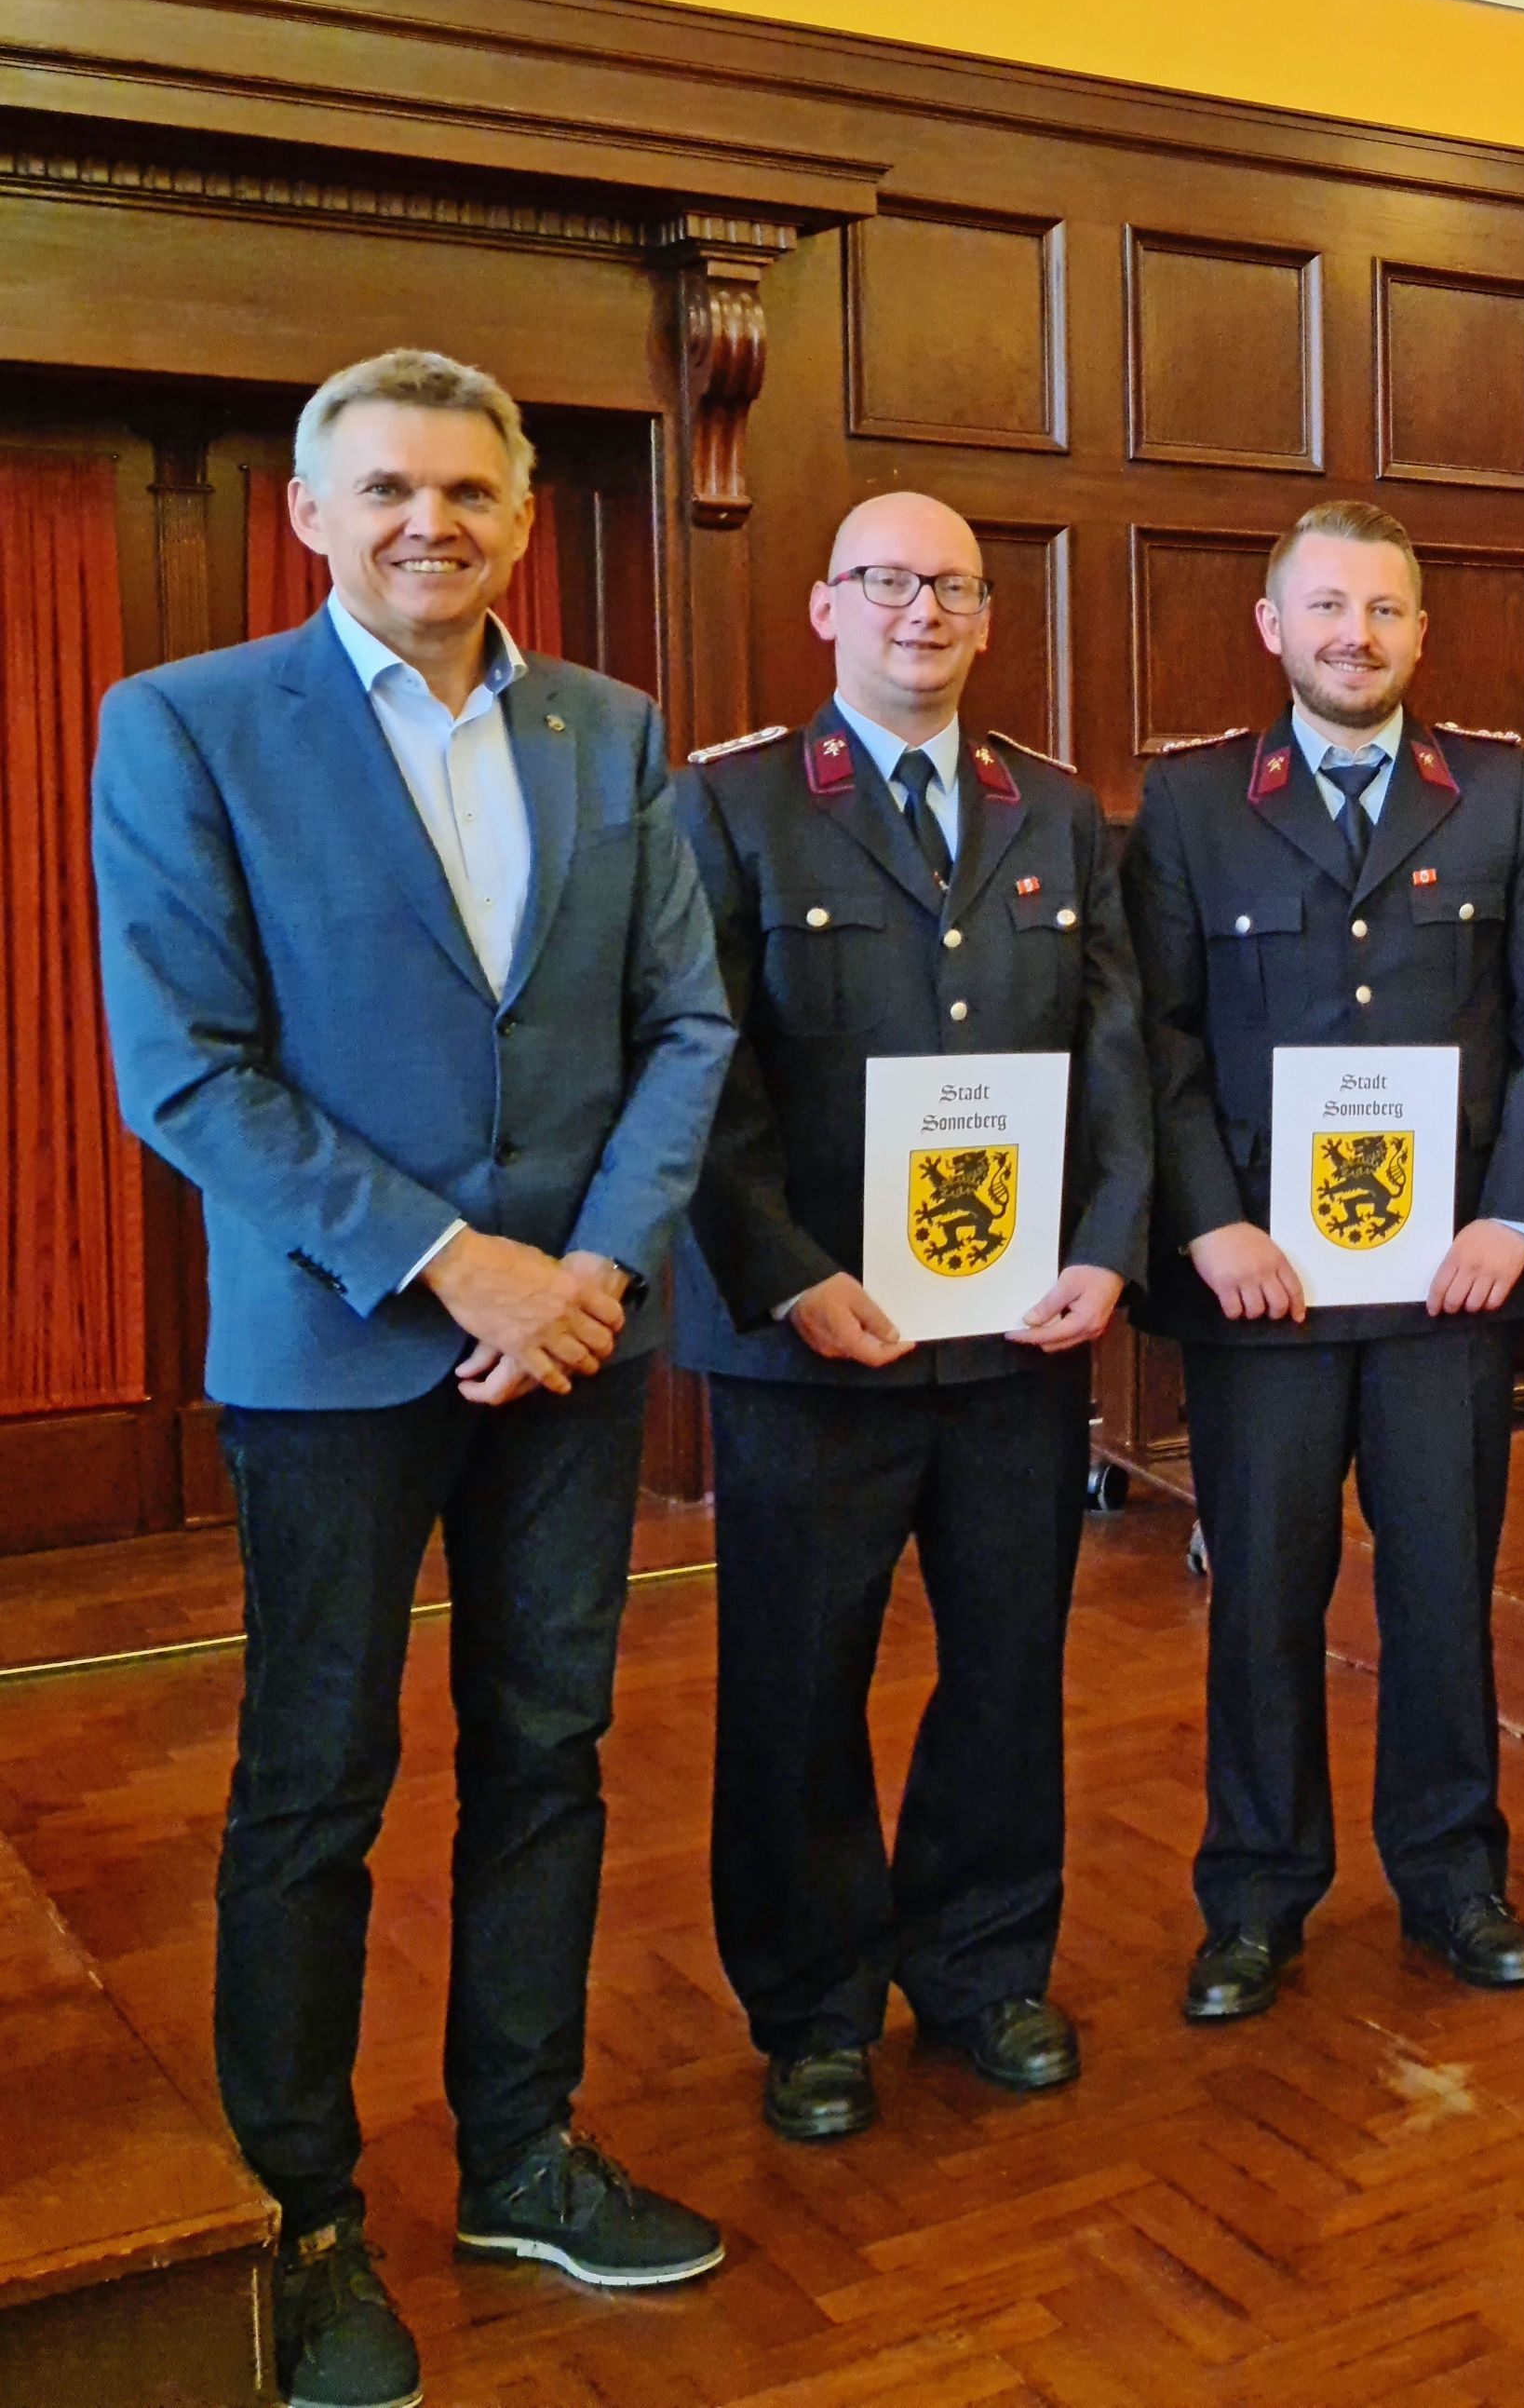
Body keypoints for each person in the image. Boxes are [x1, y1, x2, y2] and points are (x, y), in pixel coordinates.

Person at [89, 347, 735, 2408]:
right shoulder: (185, 727)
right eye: (385, 487)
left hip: (569, 1352)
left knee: (548, 1750)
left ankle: (517, 2151)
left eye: (467, 488)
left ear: (523, 518)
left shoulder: (611, 732)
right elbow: (185, 1065)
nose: (427, 520)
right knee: (315, 1779)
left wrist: (593, 1277)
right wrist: (461, 1267)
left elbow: (688, 1029)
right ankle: (305, 2205)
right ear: (311, 511)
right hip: (337, 1351)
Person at [670, 491, 1149, 2141]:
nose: (919, 611)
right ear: (825, 608)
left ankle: (985, 1964)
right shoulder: (731, 808)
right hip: (813, 1340)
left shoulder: (1062, 812)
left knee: (1010, 1662)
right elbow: (700, 1071)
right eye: (885, 582)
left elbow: (1117, 1055)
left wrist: (1104, 1244)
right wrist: (790, 1273)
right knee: (801, 1680)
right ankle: (812, 2006)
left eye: (951, 585)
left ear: (989, 615)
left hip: (1015, 1338)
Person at [1128, 500, 1524, 2020]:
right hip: (1262, 1282)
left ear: (1420, 631)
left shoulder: (1502, 796)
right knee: (1264, 1590)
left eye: (1385, 609)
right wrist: (1207, 1221)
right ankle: (1256, 1894)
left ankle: (1456, 1875)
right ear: (1273, 627)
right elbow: (1159, 1035)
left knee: (1444, 1588)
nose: (1356, 634)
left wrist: (1515, 1215)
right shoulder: (1194, 805)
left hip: (1445, 1282)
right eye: (1326, 607)